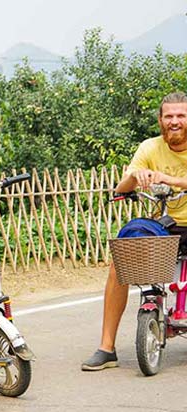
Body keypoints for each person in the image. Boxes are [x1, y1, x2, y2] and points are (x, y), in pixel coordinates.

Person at [82, 92, 187, 371]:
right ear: (160, 120)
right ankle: (107, 348)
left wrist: (168, 178)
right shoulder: (149, 147)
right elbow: (121, 188)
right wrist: (134, 176)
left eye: (180, 116)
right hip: (165, 225)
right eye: (169, 116)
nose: (174, 121)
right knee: (122, 259)